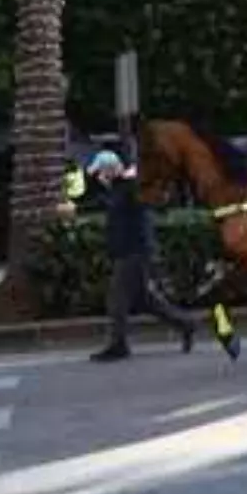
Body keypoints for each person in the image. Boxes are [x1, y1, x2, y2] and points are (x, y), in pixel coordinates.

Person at [86, 149, 198, 362]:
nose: (99, 177)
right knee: (144, 301)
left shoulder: (129, 187)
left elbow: (150, 200)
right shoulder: (118, 190)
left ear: (111, 169)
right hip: (129, 250)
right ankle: (186, 324)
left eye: (101, 172)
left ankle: (118, 346)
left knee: (117, 300)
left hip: (134, 251)